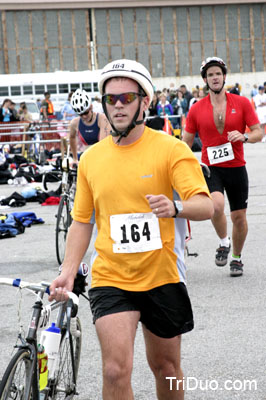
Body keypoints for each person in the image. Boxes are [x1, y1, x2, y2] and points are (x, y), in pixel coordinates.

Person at [49, 59, 213, 400]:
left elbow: (206, 204)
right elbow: (82, 221)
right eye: (111, 99)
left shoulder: (171, 149)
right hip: (111, 276)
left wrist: (176, 207)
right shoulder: (92, 159)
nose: (118, 105)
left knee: (165, 368)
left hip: (162, 274)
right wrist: (67, 270)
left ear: (145, 101)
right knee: (114, 370)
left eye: (126, 98)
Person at [183, 56, 263, 277]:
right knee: (216, 206)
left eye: (218, 73)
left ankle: (236, 258)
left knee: (239, 217)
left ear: (224, 77)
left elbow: (258, 132)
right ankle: (223, 242)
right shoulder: (197, 109)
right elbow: (185, 143)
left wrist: (244, 136)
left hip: (236, 167)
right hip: (211, 168)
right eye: (210, 75)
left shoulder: (242, 103)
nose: (215, 77)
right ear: (205, 80)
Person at [69, 89, 111, 164]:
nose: (84, 116)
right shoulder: (74, 123)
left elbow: (102, 146)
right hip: (88, 157)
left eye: (86, 113)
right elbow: (72, 137)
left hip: (102, 157)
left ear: (91, 107)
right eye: (80, 114)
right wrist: (75, 158)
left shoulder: (102, 119)